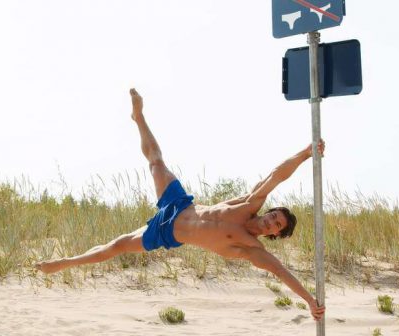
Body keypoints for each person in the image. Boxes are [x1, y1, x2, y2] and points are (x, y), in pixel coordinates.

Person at [35, 88, 326, 321]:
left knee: (117, 246)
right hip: (179, 204)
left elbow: (281, 272)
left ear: (274, 234)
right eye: (273, 215)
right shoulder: (249, 203)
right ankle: (138, 118)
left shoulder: (250, 248)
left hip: (167, 232)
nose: (270, 221)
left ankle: (63, 264)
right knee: (156, 162)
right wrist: (305, 154)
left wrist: (310, 300)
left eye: (275, 225)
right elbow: (276, 175)